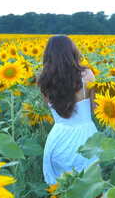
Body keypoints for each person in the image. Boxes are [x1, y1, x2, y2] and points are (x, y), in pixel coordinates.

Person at [37, 35, 98, 185]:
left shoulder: (43, 80)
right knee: (90, 188)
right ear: (72, 51)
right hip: (86, 139)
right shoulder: (87, 75)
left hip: (58, 138)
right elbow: (96, 109)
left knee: (63, 188)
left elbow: (54, 108)